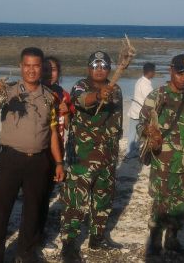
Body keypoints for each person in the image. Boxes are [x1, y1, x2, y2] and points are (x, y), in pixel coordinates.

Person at [0, 47, 65, 263]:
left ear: (42, 68)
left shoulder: (49, 98)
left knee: (33, 211)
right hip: (9, 159)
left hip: (38, 161)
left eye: (36, 66)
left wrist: (59, 162)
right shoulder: (7, 91)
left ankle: (26, 253)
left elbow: (52, 132)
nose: (32, 70)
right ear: (21, 67)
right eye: (27, 65)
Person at [137, 55, 184, 257]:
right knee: (161, 203)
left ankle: (173, 240)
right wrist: (149, 132)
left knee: (182, 203)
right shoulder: (157, 95)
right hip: (164, 162)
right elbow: (141, 123)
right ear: (171, 71)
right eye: (180, 73)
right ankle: (155, 243)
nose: (183, 78)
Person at [60, 51, 123, 263]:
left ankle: (98, 238)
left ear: (109, 69)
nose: (99, 69)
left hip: (108, 155)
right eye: (95, 65)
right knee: (76, 202)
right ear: (88, 68)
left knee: (103, 199)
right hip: (82, 157)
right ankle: (69, 245)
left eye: (104, 66)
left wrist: (114, 149)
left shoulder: (117, 90)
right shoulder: (80, 85)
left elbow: (117, 122)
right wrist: (98, 95)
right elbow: (81, 101)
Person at [38, 56, 74, 238]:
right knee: (36, 194)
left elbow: (68, 126)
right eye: (45, 68)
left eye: (53, 69)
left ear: (58, 73)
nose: (49, 73)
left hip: (57, 151)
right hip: (38, 150)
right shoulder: (36, 91)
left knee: (47, 193)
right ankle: (33, 233)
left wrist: (66, 112)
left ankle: (40, 232)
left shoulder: (64, 94)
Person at [127, 62, 155, 157]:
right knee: (138, 132)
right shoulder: (146, 85)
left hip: (135, 110)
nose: (154, 74)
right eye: (154, 72)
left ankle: (131, 150)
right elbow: (150, 100)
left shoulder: (140, 80)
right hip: (139, 112)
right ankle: (130, 153)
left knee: (133, 132)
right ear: (150, 72)